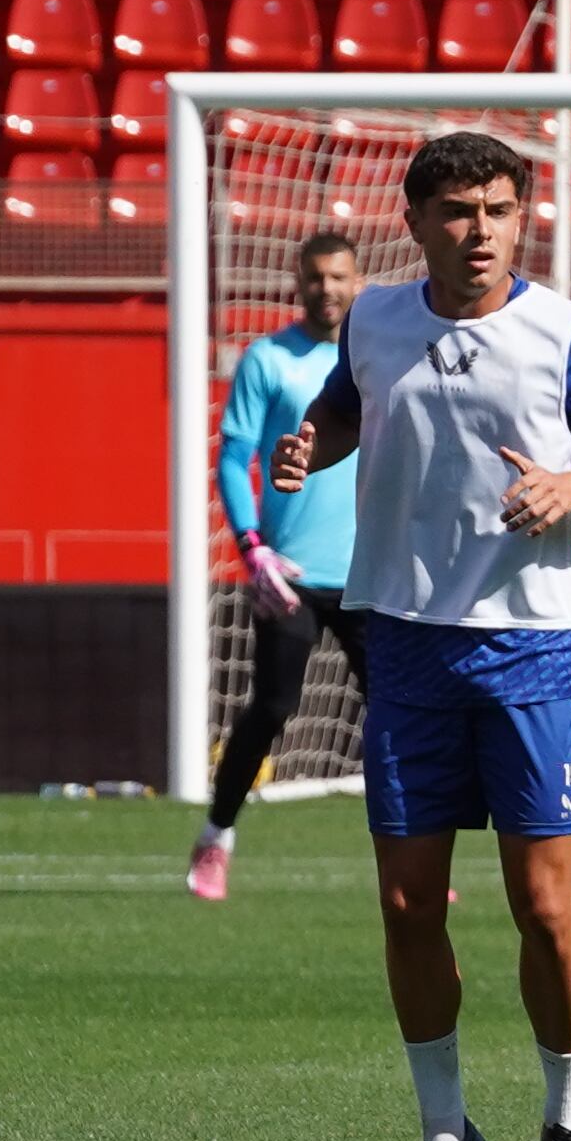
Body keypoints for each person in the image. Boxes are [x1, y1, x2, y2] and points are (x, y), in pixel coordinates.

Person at [272, 131, 571, 1141]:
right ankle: (445, 1135)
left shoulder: (568, 337)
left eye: (499, 208)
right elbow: (353, 403)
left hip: (528, 648)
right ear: (415, 224)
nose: (481, 230)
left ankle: (569, 1123)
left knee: (542, 908)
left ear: (523, 217)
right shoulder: (378, 318)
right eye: (457, 211)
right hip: (404, 642)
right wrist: (316, 441)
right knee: (407, 903)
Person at [189, 234, 370, 900]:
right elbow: (235, 458)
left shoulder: (378, 357)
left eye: (339, 276)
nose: (328, 288)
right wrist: (252, 547)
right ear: (300, 281)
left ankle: (414, 858)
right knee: (270, 707)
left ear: (359, 281)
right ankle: (216, 837)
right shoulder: (269, 360)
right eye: (317, 277)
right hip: (288, 572)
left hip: (370, 573)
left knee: (400, 717)